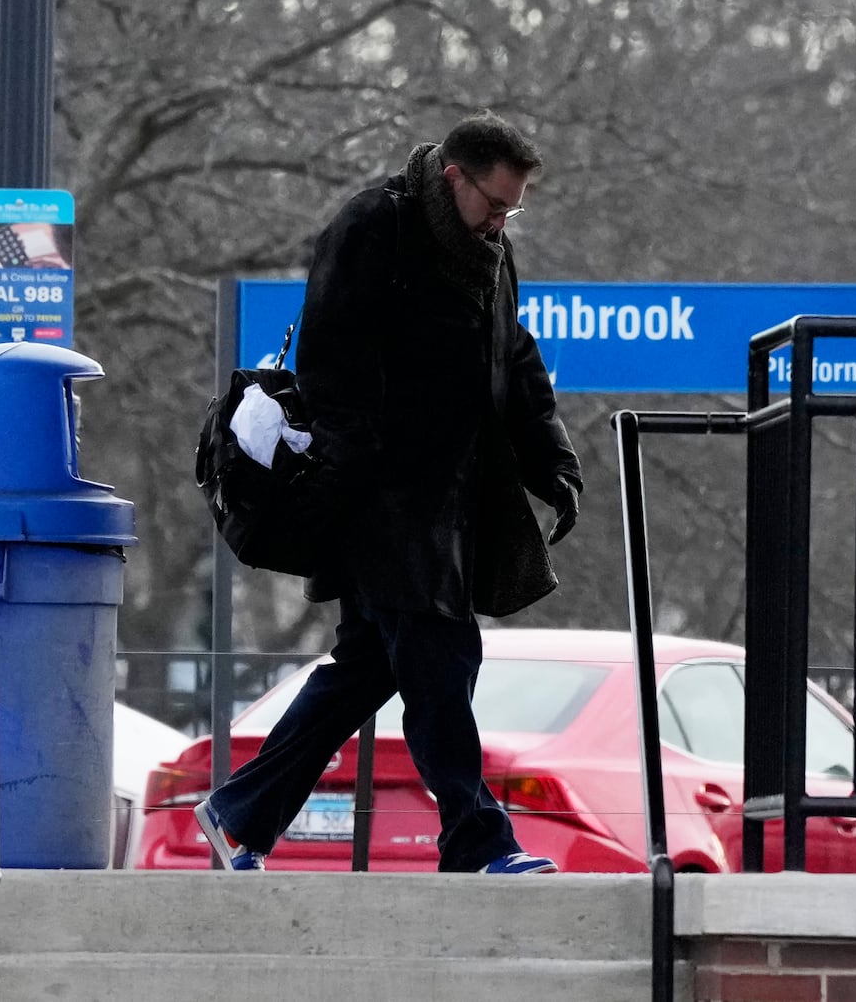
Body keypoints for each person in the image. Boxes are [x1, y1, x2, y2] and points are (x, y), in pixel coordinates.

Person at [194, 111, 583, 874]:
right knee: (442, 657)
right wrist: (349, 467)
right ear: (453, 177)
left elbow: (516, 361)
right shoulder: (378, 224)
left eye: (513, 208)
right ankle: (477, 839)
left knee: (364, 672)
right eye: (493, 203)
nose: (501, 220)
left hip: (450, 501)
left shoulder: (490, 255)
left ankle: (239, 815)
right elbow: (331, 354)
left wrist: (554, 464)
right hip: (380, 499)